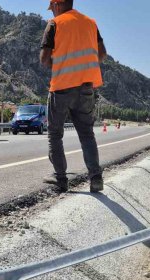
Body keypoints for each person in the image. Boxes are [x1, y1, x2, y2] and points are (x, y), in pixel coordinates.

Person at [40, 0, 106, 192]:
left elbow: (44, 59)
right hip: (85, 88)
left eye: (52, 8)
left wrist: (62, 65)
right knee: (87, 134)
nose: (52, 12)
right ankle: (95, 178)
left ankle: (60, 179)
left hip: (61, 87)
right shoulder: (90, 23)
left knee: (55, 135)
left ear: (58, 4)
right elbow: (102, 53)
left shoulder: (55, 24)